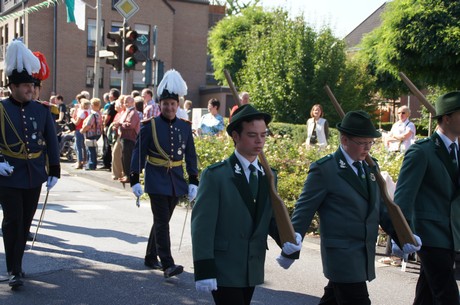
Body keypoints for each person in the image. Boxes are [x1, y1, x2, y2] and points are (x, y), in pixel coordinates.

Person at [278, 110, 420, 305]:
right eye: (362, 143)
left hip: (363, 253)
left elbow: (381, 209)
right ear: (344, 140)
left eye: (370, 143)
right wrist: (290, 246)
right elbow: (304, 210)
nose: (367, 148)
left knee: (333, 300)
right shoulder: (325, 169)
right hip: (341, 255)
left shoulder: (371, 168)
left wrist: (403, 236)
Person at [191, 104, 281, 305]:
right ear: (235, 136)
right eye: (252, 135)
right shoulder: (217, 175)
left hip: (252, 265)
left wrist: (290, 240)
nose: (260, 141)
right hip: (224, 267)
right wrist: (204, 268)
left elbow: (271, 218)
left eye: (263, 135)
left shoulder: (269, 175)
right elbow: (202, 227)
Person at [0, 40, 60, 289]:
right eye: (25, 85)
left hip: (34, 174)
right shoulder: (1, 109)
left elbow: (51, 141)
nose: (30, 89)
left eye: (31, 85)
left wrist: (54, 170)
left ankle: (18, 263)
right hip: (9, 174)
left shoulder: (42, 110)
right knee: (12, 220)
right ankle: (14, 269)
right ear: (12, 86)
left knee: (26, 222)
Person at [130, 69, 198, 278]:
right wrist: (135, 178)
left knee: (163, 220)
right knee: (161, 221)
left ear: (178, 105)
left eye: (173, 104)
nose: (169, 107)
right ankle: (167, 263)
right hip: (156, 179)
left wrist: (193, 180)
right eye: (165, 104)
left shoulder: (184, 127)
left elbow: (190, 155)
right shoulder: (150, 126)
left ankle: (151, 256)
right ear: (159, 105)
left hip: (176, 180)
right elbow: (138, 153)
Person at [394, 91, 460, 305]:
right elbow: (403, 198)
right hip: (428, 236)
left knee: (427, 295)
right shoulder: (422, 152)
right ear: (447, 118)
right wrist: (402, 235)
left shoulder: (458, 151)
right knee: (448, 296)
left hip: (452, 235)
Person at [115, 95, 140, 184]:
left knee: (128, 157)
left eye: (127, 101)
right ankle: (126, 174)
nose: (125, 103)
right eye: (124, 101)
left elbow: (131, 125)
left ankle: (129, 176)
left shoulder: (133, 113)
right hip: (124, 137)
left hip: (130, 138)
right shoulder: (127, 112)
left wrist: (120, 124)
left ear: (132, 102)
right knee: (124, 157)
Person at [81, 98, 103, 170]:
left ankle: (91, 165)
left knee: (91, 150)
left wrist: (82, 130)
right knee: (93, 149)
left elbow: (88, 125)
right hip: (98, 133)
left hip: (91, 133)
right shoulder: (100, 113)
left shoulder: (93, 114)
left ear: (92, 105)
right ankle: (92, 164)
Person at [100, 88, 120, 170]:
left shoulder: (112, 105)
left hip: (109, 126)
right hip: (113, 125)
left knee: (107, 144)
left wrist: (104, 124)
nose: (109, 96)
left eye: (110, 94)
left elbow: (108, 116)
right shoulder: (116, 104)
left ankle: (106, 163)